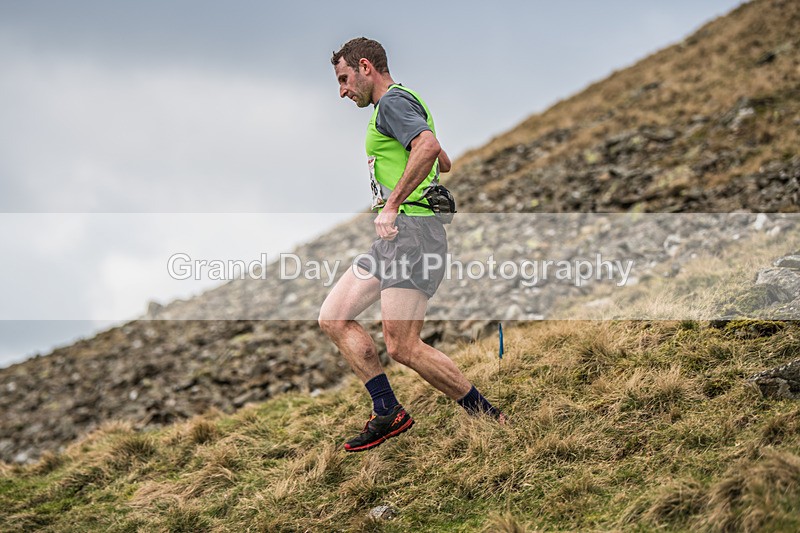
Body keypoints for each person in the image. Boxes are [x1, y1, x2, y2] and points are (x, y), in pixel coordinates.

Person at [320, 37, 505, 453]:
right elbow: (441, 159)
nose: (343, 91)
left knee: (402, 345)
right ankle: (386, 409)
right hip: (398, 237)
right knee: (333, 317)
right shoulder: (403, 103)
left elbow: (428, 146)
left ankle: (490, 418)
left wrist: (394, 203)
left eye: (345, 79)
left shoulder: (391, 104)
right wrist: (420, 170)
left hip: (413, 233)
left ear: (366, 67)